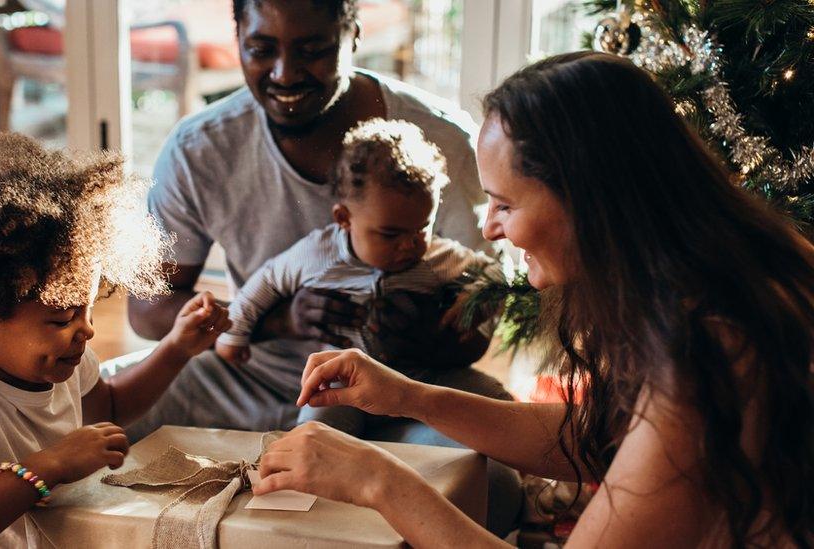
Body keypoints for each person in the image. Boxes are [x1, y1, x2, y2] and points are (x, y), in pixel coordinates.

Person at [253, 52, 814, 548]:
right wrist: (408, 396)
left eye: (504, 204)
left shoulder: (709, 349)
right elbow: (596, 436)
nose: (491, 230)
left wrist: (378, 479)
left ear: (586, 201)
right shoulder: (732, 269)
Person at [127, 0, 523, 534]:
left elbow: (482, 321)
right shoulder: (202, 148)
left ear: (353, 34)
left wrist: (418, 337)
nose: (285, 74)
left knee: (489, 486)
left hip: (412, 392)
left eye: (313, 50)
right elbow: (148, 309)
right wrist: (279, 322)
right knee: (95, 415)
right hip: (254, 378)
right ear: (237, 34)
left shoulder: (437, 142)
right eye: (261, 49)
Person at [0, 134, 231, 548]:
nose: (86, 331)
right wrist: (49, 465)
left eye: (88, 310)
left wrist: (176, 348)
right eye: (61, 318)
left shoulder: (66, 358)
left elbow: (106, 408)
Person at [215, 117, 510, 435]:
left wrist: (476, 298)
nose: (409, 245)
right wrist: (234, 333)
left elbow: (495, 272)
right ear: (344, 218)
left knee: (495, 400)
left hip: (421, 373)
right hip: (343, 379)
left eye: (421, 229)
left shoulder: (436, 256)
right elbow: (267, 281)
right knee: (317, 431)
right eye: (390, 234)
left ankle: (536, 469)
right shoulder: (318, 254)